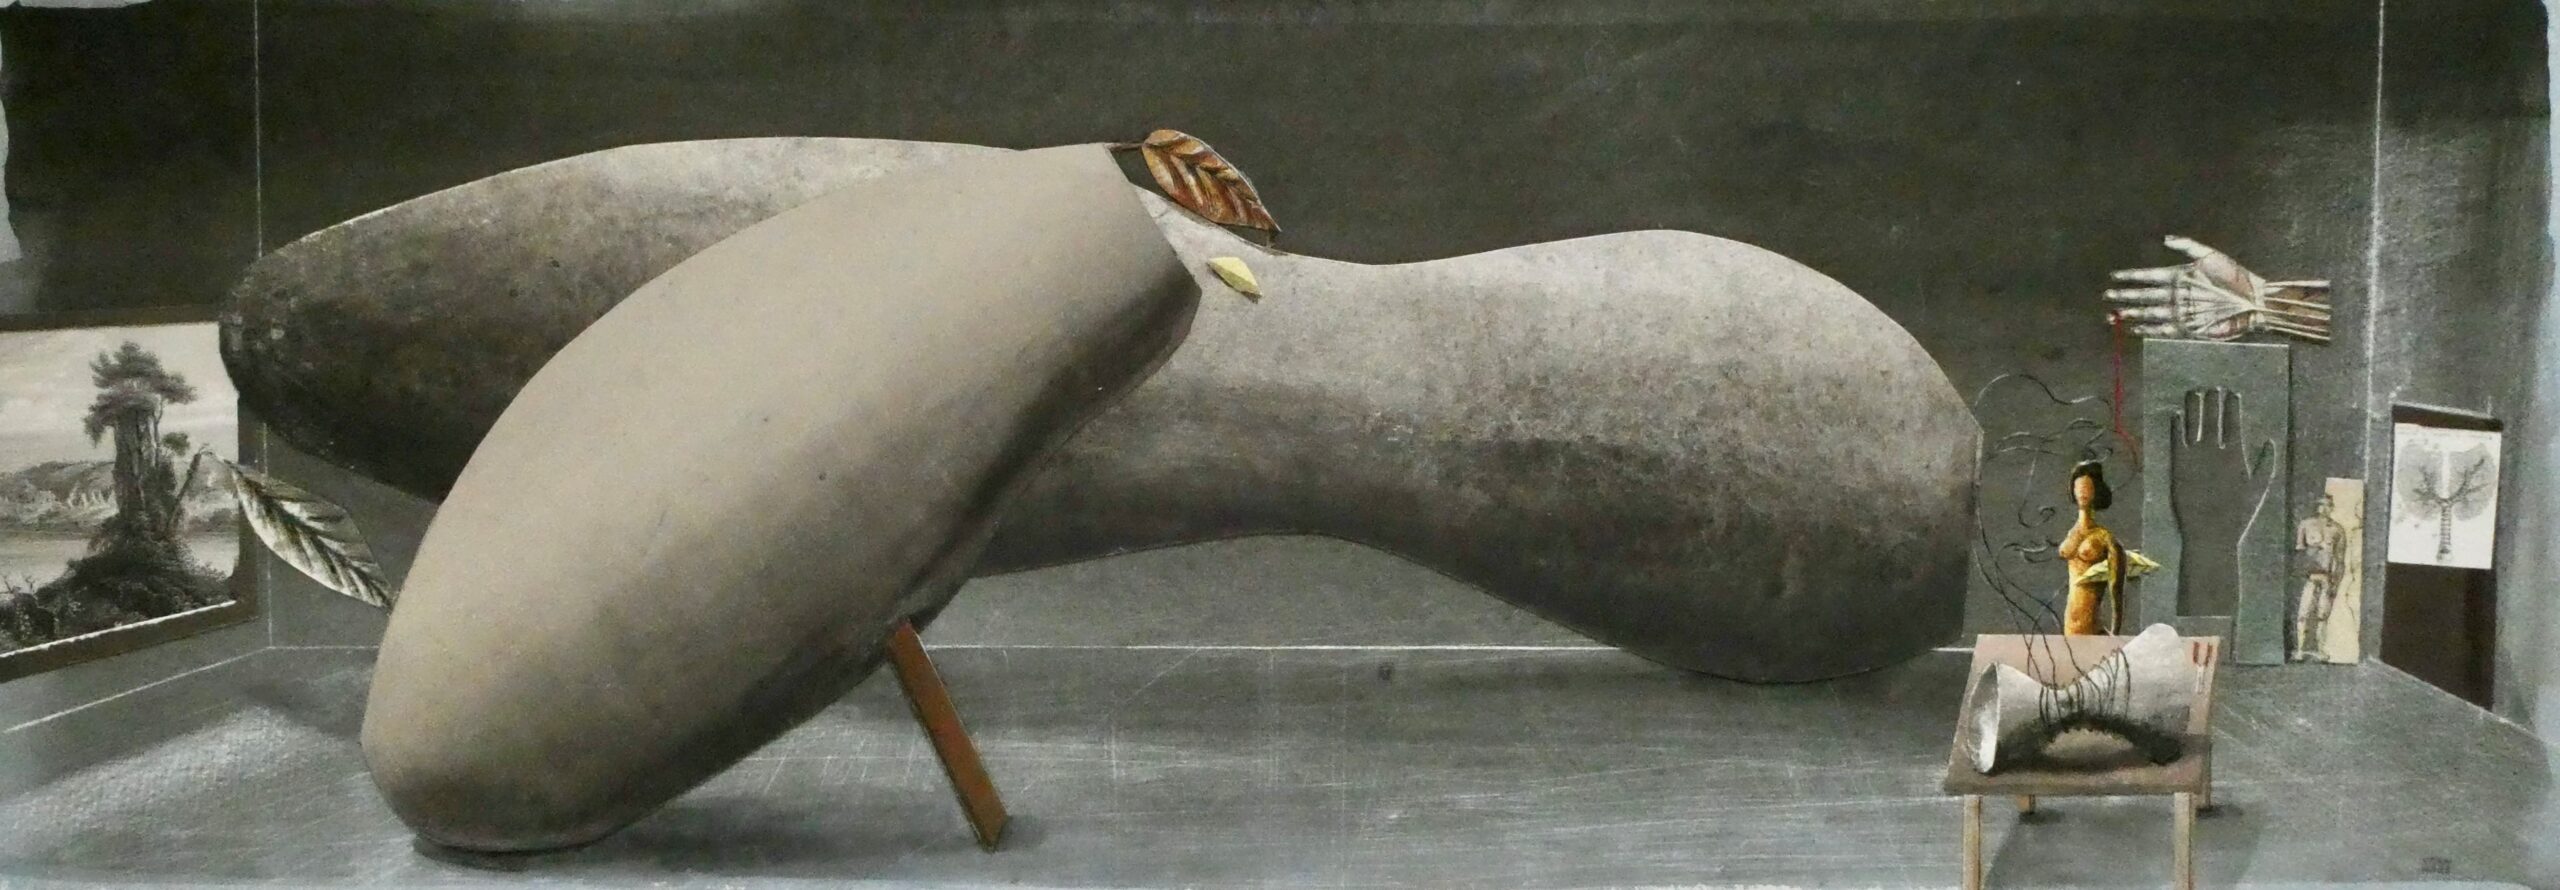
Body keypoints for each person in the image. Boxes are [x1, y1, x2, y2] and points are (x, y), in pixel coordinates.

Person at [2057, 460, 2155, 635]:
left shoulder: (2105, 538)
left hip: (2091, 627)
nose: (2082, 492)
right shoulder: (2071, 534)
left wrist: (2115, 634)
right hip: (2069, 627)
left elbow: (2116, 591)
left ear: (2096, 490)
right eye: (2078, 487)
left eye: (2087, 488)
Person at [2292, 493, 2349, 662]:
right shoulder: (2306, 525)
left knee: (2322, 615)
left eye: (2328, 505)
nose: (2324, 509)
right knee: (2303, 613)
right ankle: (2300, 650)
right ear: (2317, 506)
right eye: (2321, 505)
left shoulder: (2337, 529)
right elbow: (2299, 552)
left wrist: (2336, 582)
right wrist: (2301, 574)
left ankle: (2320, 650)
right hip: (2309, 576)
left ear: (2332, 507)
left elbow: (2340, 559)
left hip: (2327, 577)